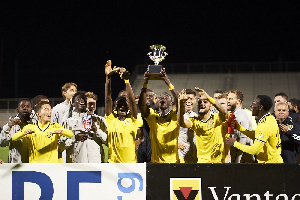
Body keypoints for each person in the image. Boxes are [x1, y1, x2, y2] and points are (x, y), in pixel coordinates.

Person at [225, 95, 283, 163]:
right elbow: (257, 136)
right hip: (273, 162)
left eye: (254, 103)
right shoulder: (269, 118)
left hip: (270, 164)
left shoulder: (265, 125)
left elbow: (254, 150)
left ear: (260, 107)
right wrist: (239, 128)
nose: (251, 105)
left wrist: (235, 143)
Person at [139, 68, 180, 163]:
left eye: (166, 97)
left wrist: (167, 81)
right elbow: (141, 105)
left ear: (171, 103)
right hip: (156, 162)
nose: (163, 98)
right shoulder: (152, 115)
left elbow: (179, 101)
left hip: (173, 162)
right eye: (161, 97)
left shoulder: (174, 115)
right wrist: (145, 82)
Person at [178, 88, 227, 163]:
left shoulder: (216, 118)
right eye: (200, 102)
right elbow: (181, 123)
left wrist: (208, 97)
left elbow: (224, 113)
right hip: (202, 163)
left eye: (205, 102)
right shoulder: (194, 121)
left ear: (211, 106)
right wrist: (181, 104)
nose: (202, 103)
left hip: (218, 162)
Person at [105, 60, 139, 163]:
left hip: (131, 164)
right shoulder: (111, 119)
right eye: (119, 105)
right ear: (115, 107)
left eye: (124, 105)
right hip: (113, 164)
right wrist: (108, 78)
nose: (122, 107)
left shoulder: (133, 119)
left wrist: (127, 81)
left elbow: (132, 102)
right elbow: (108, 99)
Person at [62, 91, 107, 163]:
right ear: (73, 104)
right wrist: (74, 138)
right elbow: (61, 146)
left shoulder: (98, 120)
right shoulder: (68, 122)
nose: (82, 101)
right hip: (77, 166)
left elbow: (108, 142)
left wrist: (97, 130)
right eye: (79, 99)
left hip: (96, 164)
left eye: (84, 99)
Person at [0, 99, 36, 163]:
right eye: (22, 106)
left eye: (28, 106)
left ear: (31, 109)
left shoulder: (36, 123)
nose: (25, 108)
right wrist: (9, 126)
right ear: (17, 109)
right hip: (16, 164)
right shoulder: (11, 124)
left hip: (32, 164)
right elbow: (2, 143)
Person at [227, 90, 255, 163]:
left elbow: (243, 140)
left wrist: (236, 162)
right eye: (227, 98)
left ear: (238, 101)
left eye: (230, 99)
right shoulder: (234, 114)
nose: (228, 101)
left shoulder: (241, 115)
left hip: (243, 161)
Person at [136, 89, 157, 163]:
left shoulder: (157, 109)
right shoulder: (135, 108)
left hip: (152, 142)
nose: (148, 97)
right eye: (146, 96)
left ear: (154, 98)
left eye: (150, 96)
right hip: (139, 141)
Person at [177, 89, 197, 163]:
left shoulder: (198, 118)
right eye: (186, 99)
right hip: (181, 152)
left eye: (191, 99)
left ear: (195, 100)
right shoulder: (177, 117)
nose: (188, 101)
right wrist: (177, 143)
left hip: (194, 153)